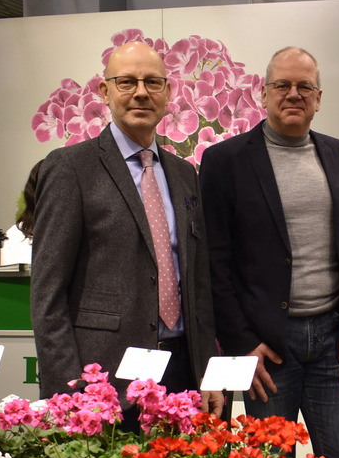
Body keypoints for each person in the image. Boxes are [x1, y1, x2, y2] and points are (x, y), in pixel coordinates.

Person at [200, 46, 339, 458]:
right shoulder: (224, 161)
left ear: (319, 98)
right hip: (267, 349)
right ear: (263, 93)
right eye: (282, 85)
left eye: (304, 87)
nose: (293, 94)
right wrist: (241, 344)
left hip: (333, 343)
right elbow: (213, 263)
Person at [31, 41, 222, 422]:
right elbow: (47, 295)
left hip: (182, 373)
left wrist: (208, 372)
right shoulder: (70, 168)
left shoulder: (184, 174)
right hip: (105, 381)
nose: (141, 92)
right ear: (105, 91)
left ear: (168, 92)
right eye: (127, 82)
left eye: (153, 82)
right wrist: (69, 393)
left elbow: (197, 284)